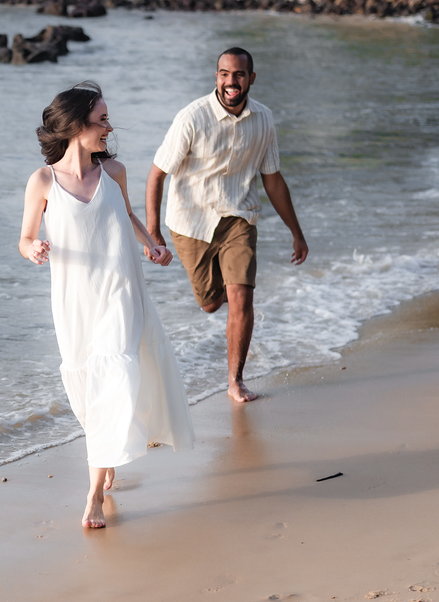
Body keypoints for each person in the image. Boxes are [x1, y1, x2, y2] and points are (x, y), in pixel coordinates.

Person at [19, 82, 195, 529]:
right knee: (86, 391)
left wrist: (152, 244)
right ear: (77, 126)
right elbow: (23, 239)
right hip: (74, 300)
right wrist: (34, 248)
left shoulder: (113, 171)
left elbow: (127, 215)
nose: (109, 128)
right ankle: (106, 448)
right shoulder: (43, 181)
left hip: (120, 289)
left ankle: (94, 495)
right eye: (101, 121)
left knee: (115, 373)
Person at [145, 48, 308, 404]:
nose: (230, 82)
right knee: (209, 304)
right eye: (223, 74)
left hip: (239, 217)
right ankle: (220, 301)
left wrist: (296, 232)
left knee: (241, 297)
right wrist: (153, 232)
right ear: (216, 77)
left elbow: (273, 180)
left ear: (251, 78)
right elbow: (157, 174)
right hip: (191, 221)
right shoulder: (192, 117)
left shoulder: (263, 119)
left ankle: (235, 381)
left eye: (237, 74)